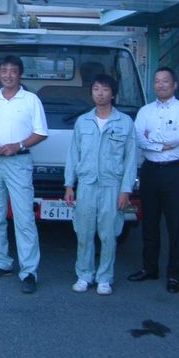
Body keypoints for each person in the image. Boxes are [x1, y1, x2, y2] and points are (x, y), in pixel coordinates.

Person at [0, 55, 48, 294]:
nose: (8, 75)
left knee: (24, 218)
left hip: (18, 163)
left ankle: (29, 271)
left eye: (12, 70)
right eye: (3, 70)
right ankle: (1, 262)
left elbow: (41, 132)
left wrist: (19, 145)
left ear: (20, 74)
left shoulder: (31, 100)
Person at [64, 74, 136, 296]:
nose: (100, 93)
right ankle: (84, 275)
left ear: (113, 94)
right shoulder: (83, 122)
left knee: (109, 234)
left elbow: (130, 159)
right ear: (91, 92)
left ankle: (105, 277)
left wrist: (126, 190)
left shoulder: (125, 123)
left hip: (112, 186)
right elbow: (73, 155)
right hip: (86, 185)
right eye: (96, 89)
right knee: (84, 233)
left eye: (105, 89)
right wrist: (69, 185)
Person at [128, 67, 179, 294]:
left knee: (175, 224)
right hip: (150, 170)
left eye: (165, 81)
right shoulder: (145, 111)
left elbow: (176, 138)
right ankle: (149, 268)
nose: (161, 85)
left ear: (174, 85)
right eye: (157, 81)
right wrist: (159, 144)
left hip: (173, 172)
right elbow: (138, 138)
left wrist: (152, 138)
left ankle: (174, 275)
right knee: (149, 222)